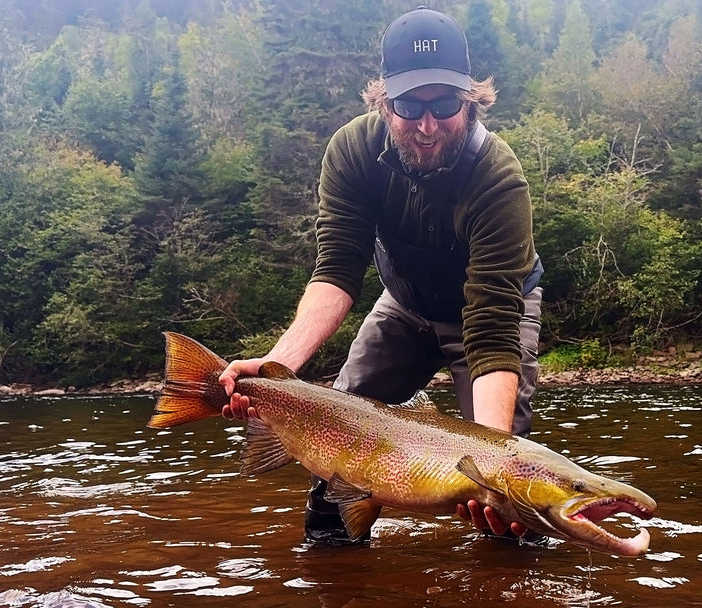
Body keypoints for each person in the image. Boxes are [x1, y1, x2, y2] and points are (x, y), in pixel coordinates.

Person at [218, 6, 544, 546]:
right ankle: (333, 568)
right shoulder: (352, 152)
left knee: (508, 493)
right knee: (336, 439)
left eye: (443, 104)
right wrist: (278, 366)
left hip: (490, 318)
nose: (426, 125)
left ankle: (509, 570)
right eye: (408, 105)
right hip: (405, 307)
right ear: (382, 101)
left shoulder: (497, 176)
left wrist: (490, 461)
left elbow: (490, 330)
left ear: (470, 100)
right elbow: (336, 275)